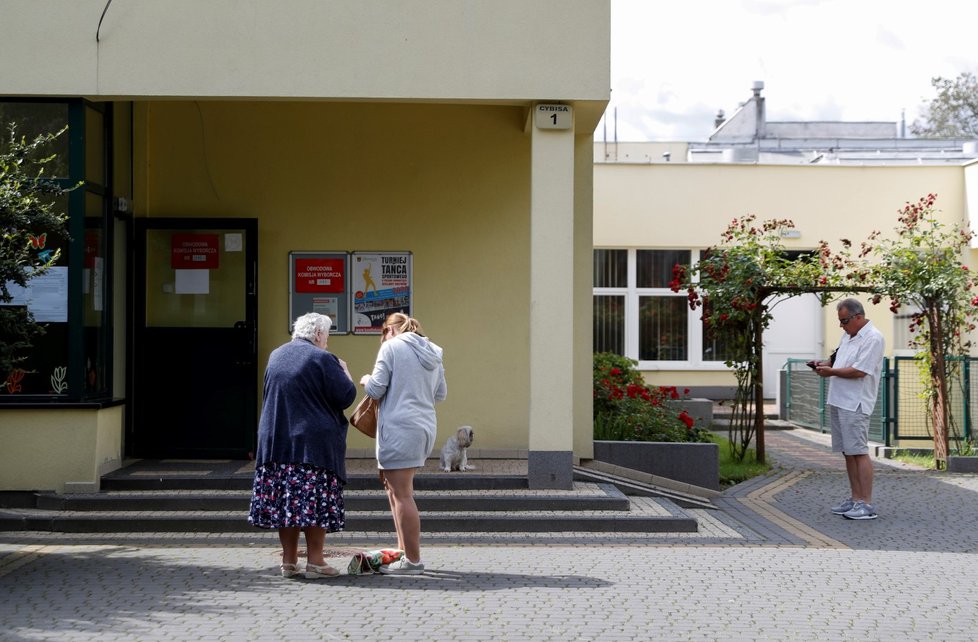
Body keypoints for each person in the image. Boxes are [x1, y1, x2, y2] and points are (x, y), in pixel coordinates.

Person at [248, 312, 357, 578]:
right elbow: (346, 396)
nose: (327, 343)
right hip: (312, 446)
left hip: (277, 442)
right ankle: (316, 562)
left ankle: (288, 561)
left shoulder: (276, 355)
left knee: (287, 502)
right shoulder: (322, 358)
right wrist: (345, 371)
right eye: (327, 337)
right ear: (318, 335)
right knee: (314, 502)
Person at [360, 312, 447, 575]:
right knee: (395, 490)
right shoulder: (433, 350)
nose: (381, 339)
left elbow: (375, 389)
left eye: (382, 334)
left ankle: (413, 561)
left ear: (389, 331)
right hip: (423, 427)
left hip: (399, 428)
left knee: (402, 494)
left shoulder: (391, 347)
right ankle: (402, 552)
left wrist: (365, 380)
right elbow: (441, 394)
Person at [814, 298, 885, 520]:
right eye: (840, 321)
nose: (841, 325)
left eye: (844, 320)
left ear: (858, 317)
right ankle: (856, 499)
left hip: (856, 402)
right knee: (848, 452)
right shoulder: (848, 336)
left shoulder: (873, 338)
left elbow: (859, 371)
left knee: (859, 451)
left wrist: (831, 372)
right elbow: (837, 360)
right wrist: (824, 364)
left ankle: (867, 504)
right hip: (839, 399)